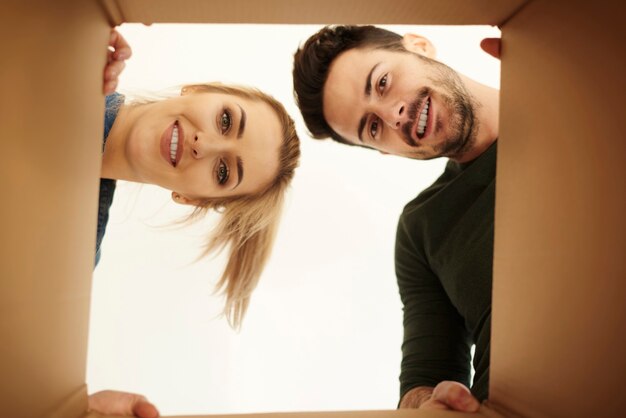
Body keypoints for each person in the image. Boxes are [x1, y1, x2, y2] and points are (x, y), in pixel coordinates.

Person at [88, 29, 301, 418]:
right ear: (197, 89)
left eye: (223, 172)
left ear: (193, 199)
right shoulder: (77, 58)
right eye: (225, 120)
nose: (205, 145)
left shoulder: (74, 255)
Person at [293, 25, 500, 412]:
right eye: (372, 128)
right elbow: (424, 377)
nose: (393, 115)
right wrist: (426, 401)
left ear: (419, 46)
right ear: (383, 152)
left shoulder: (593, 94)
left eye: (382, 82)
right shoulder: (421, 228)